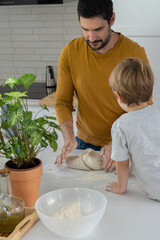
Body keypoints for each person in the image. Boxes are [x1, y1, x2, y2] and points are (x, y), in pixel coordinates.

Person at [54, 0, 152, 172]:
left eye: (98, 29)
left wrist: (118, 143)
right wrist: (69, 135)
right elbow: (62, 101)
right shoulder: (70, 52)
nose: (91, 38)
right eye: (85, 29)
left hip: (126, 144)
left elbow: (144, 106)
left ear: (112, 19)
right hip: (84, 143)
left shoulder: (135, 52)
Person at [105, 57, 160, 201]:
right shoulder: (157, 115)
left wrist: (120, 188)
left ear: (118, 96)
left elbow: (122, 163)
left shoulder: (120, 126)